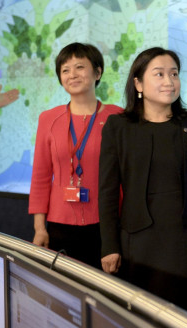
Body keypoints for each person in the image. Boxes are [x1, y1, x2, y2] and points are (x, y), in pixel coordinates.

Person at [98, 47, 187, 310]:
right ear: (138, 83)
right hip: (136, 243)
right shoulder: (118, 127)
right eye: (159, 74)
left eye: (174, 74)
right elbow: (106, 192)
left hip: (181, 242)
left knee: (178, 320)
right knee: (139, 320)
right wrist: (109, 246)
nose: (168, 81)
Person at [29, 42, 123, 269]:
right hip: (60, 224)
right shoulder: (48, 119)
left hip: (107, 224)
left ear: (98, 72)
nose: (72, 75)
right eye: (65, 69)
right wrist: (40, 228)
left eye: (80, 67)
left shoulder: (118, 117)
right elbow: (41, 176)